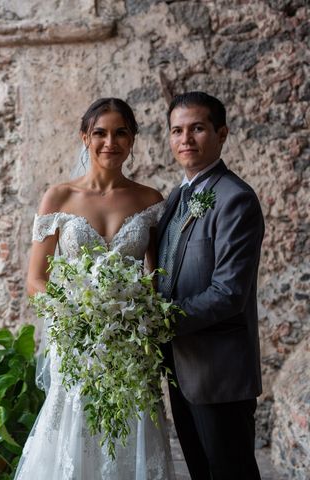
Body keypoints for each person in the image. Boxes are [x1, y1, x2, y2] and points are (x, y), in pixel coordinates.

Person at [16, 98, 175, 479]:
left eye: (121, 132)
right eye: (100, 133)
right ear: (85, 137)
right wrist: (73, 311)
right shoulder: (59, 198)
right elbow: (35, 280)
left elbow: (157, 278)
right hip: (75, 342)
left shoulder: (150, 201)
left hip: (129, 344)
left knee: (128, 435)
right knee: (75, 434)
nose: (110, 142)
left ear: (133, 139)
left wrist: (140, 317)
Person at [157, 91, 264, 480]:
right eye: (177, 130)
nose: (186, 139)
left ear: (221, 134)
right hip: (182, 368)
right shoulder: (176, 197)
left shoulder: (235, 199)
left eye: (197, 128)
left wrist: (160, 322)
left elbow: (229, 293)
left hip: (220, 373)